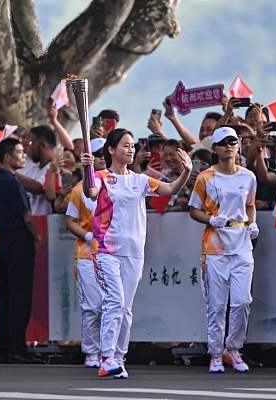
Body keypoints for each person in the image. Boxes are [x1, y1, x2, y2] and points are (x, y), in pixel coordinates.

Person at [81, 129, 191, 379]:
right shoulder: (100, 177)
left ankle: (119, 359)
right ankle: (107, 356)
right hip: (107, 249)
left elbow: (171, 189)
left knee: (126, 308)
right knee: (115, 301)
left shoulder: (141, 180)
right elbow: (90, 193)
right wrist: (85, 169)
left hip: (134, 251)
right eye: (125, 146)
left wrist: (186, 171)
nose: (130, 150)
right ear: (111, 150)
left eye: (132, 146)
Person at [188, 126, 258, 374]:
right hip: (215, 247)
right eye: (223, 143)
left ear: (238, 145)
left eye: (233, 142)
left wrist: (253, 223)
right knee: (217, 304)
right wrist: (210, 220)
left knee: (242, 301)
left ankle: (233, 348)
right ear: (215, 149)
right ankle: (216, 353)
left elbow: (250, 205)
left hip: (241, 245)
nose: (229, 146)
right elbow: (194, 209)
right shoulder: (206, 177)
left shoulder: (248, 177)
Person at [0, 138, 39, 363]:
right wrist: (36, 236)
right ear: (7, 157)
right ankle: (18, 348)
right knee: (19, 295)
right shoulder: (11, 181)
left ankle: (5, 346)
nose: (23, 156)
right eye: (19, 152)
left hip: (2, 240)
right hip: (18, 239)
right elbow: (26, 216)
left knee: (5, 295)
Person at [65, 138, 107, 369]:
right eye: (96, 153)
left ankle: (110, 350)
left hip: (114, 255)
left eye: (103, 153)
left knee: (112, 306)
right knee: (93, 305)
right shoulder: (79, 190)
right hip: (87, 254)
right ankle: (92, 352)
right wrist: (87, 235)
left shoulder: (118, 183)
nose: (100, 157)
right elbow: (69, 221)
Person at [16, 125, 57, 215]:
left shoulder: (56, 169)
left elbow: (38, 187)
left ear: (42, 145)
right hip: (34, 225)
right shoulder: (33, 169)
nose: (30, 147)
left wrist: (10, 172)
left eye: (32, 143)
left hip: (51, 226)